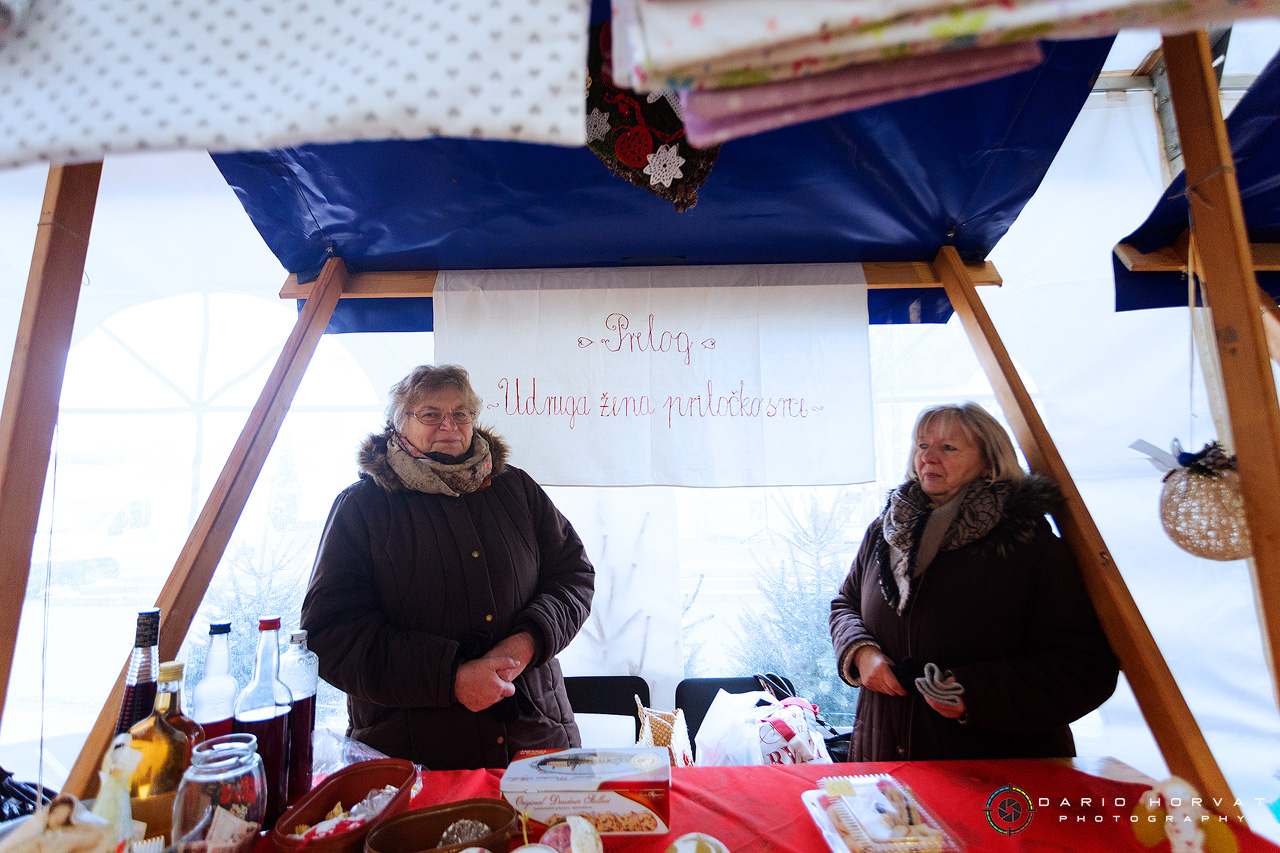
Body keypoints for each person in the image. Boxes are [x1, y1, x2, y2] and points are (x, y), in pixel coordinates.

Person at [301, 364, 594, 769]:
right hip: (416, 758)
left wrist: (527, 642)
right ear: (397, 426)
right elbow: (334, 635)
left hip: (534, 738)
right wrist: (451, 679)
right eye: (430, 414)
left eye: (461, 413)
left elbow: (573, 578)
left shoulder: (517, 489)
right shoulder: (362, 508)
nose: (449, 425)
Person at [829, 402, 1118, 761]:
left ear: (990, 462)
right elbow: (845, 604)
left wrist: (974, 695)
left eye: (948, 448)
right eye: (922, 445)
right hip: (886, 752)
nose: (929, 458)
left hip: (995, 770)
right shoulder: (885, 531)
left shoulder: (1026, 544)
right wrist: (860, 652)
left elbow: (1084, 667)